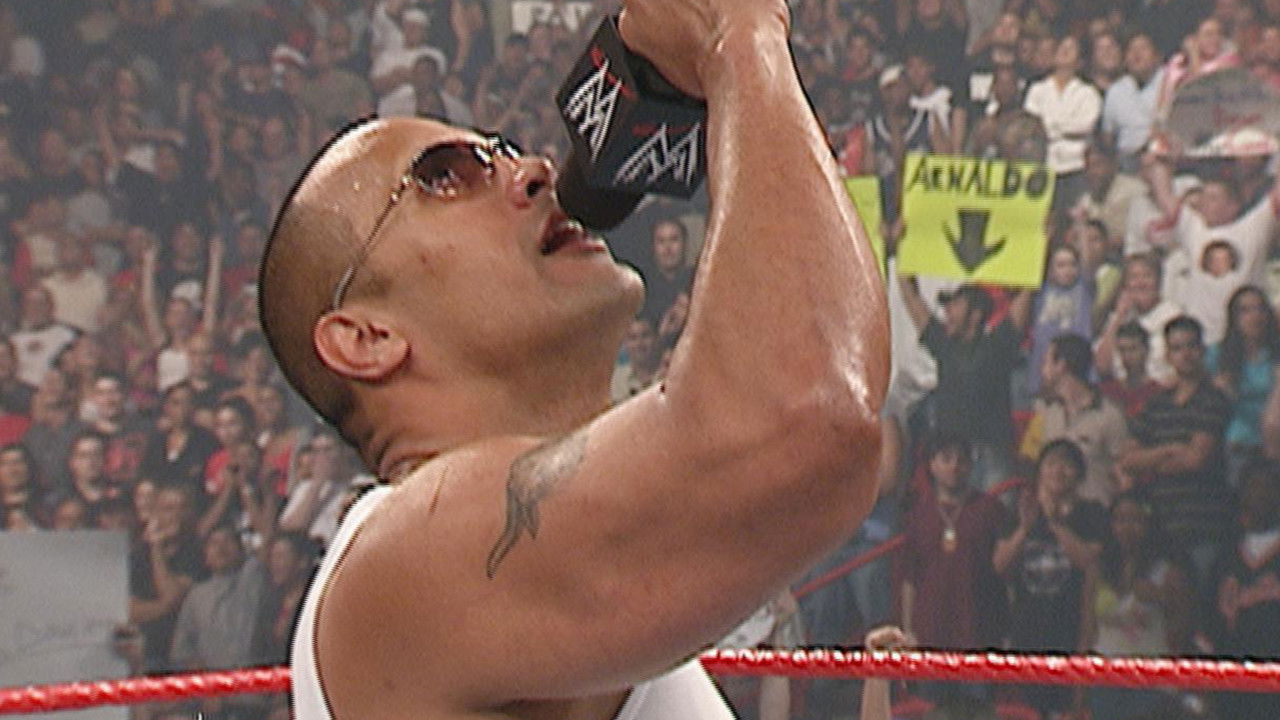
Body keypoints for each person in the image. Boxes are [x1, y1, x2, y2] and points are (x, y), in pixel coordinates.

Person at [259, 1, 889, 718]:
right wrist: (738, 36)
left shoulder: (555, 588)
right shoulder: (397, 563)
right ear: (365, 338)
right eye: (445, 175)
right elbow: (806, 417)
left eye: (503, 150)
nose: (532, 170)